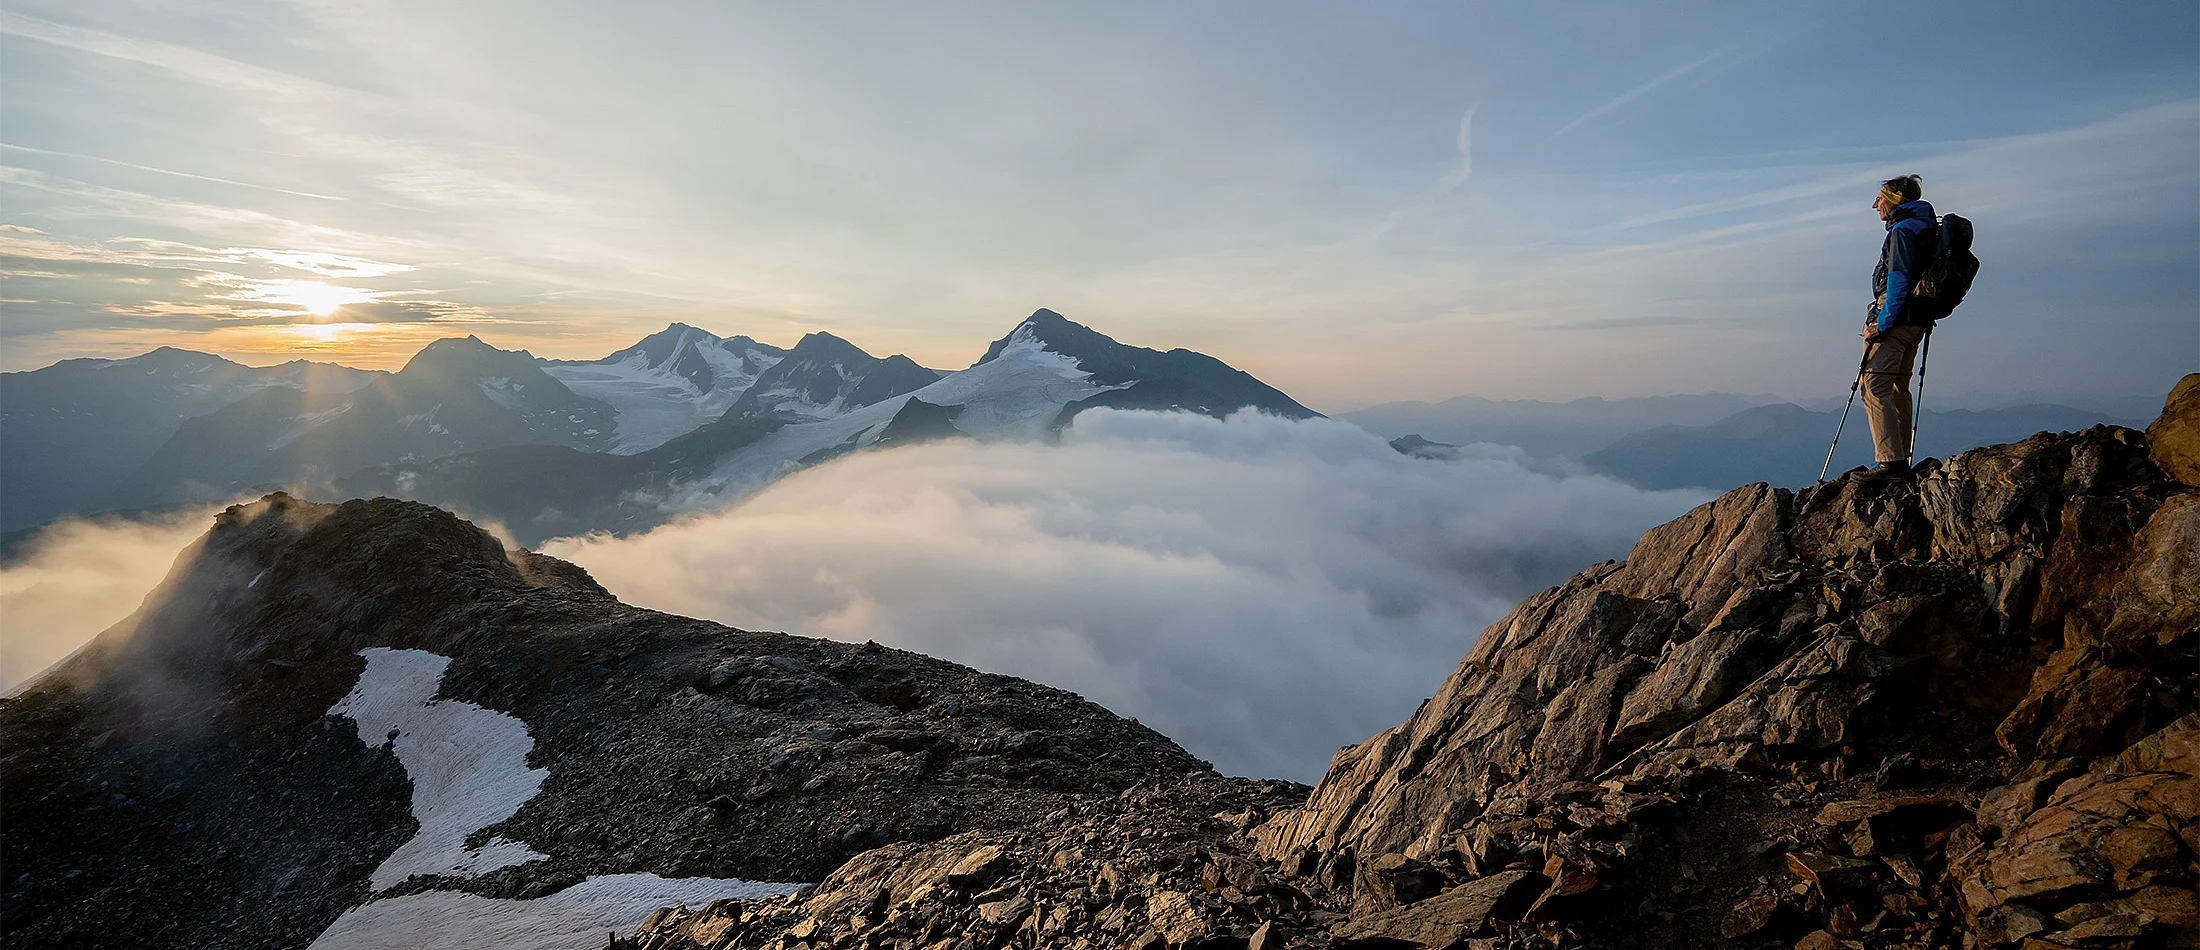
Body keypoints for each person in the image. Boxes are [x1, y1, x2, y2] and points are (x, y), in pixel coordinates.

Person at [1856, 174, 1936, 483]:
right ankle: (1901, 459)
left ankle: (1891, 464)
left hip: (1897, 318)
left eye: (1880, 197)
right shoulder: (1926, 227)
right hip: (1917, 321)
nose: (1875, 204)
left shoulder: (1903, 231)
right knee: (1897, 386)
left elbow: (1899, 280)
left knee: (1873, 386)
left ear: (1897, 196)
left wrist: (1881, 324)